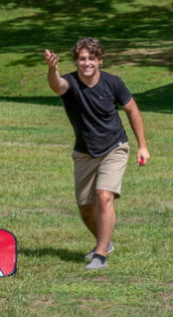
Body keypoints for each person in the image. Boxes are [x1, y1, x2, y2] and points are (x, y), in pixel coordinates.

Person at [44, 37, 150, 269]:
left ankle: (100, 254)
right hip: (84, 152)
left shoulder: (114, 83)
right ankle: (105, 241)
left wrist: (142, 145)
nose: (86, 63)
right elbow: (56, 85)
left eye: (91, 58)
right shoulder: (70, 83)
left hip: (115, 146)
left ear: (100, 60)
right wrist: (53, 69)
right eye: (82, 59)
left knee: (104, 196)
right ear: (76, 61)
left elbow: (132, 111)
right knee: (85, 207)